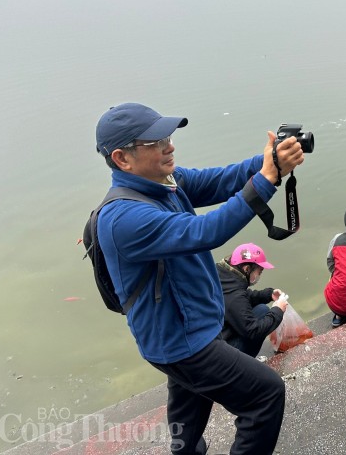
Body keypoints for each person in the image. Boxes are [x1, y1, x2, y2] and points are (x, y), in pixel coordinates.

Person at [94, 102, 304, 455]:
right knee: (265, 395)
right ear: (122, 158)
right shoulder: (123, 218)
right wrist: (267, 180)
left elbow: (220, 180)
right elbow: (206, 231)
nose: (169, 145)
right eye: (156, 142)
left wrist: (269, 161)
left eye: (168, 136)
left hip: (186, 332)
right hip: (182, 343)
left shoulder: (164, 183)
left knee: (188, 418)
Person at [217, 243, 287, 358]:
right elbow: (254, 331)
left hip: (215, 335)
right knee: (263, 313)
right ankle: (244, 365)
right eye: (259, 272)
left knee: (261, 309)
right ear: (247, 269)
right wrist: (278, 311)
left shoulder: (222, 275)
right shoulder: (234, 295)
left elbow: (243, 297)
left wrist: (268, 294)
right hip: (220, 357)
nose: (259, 276)